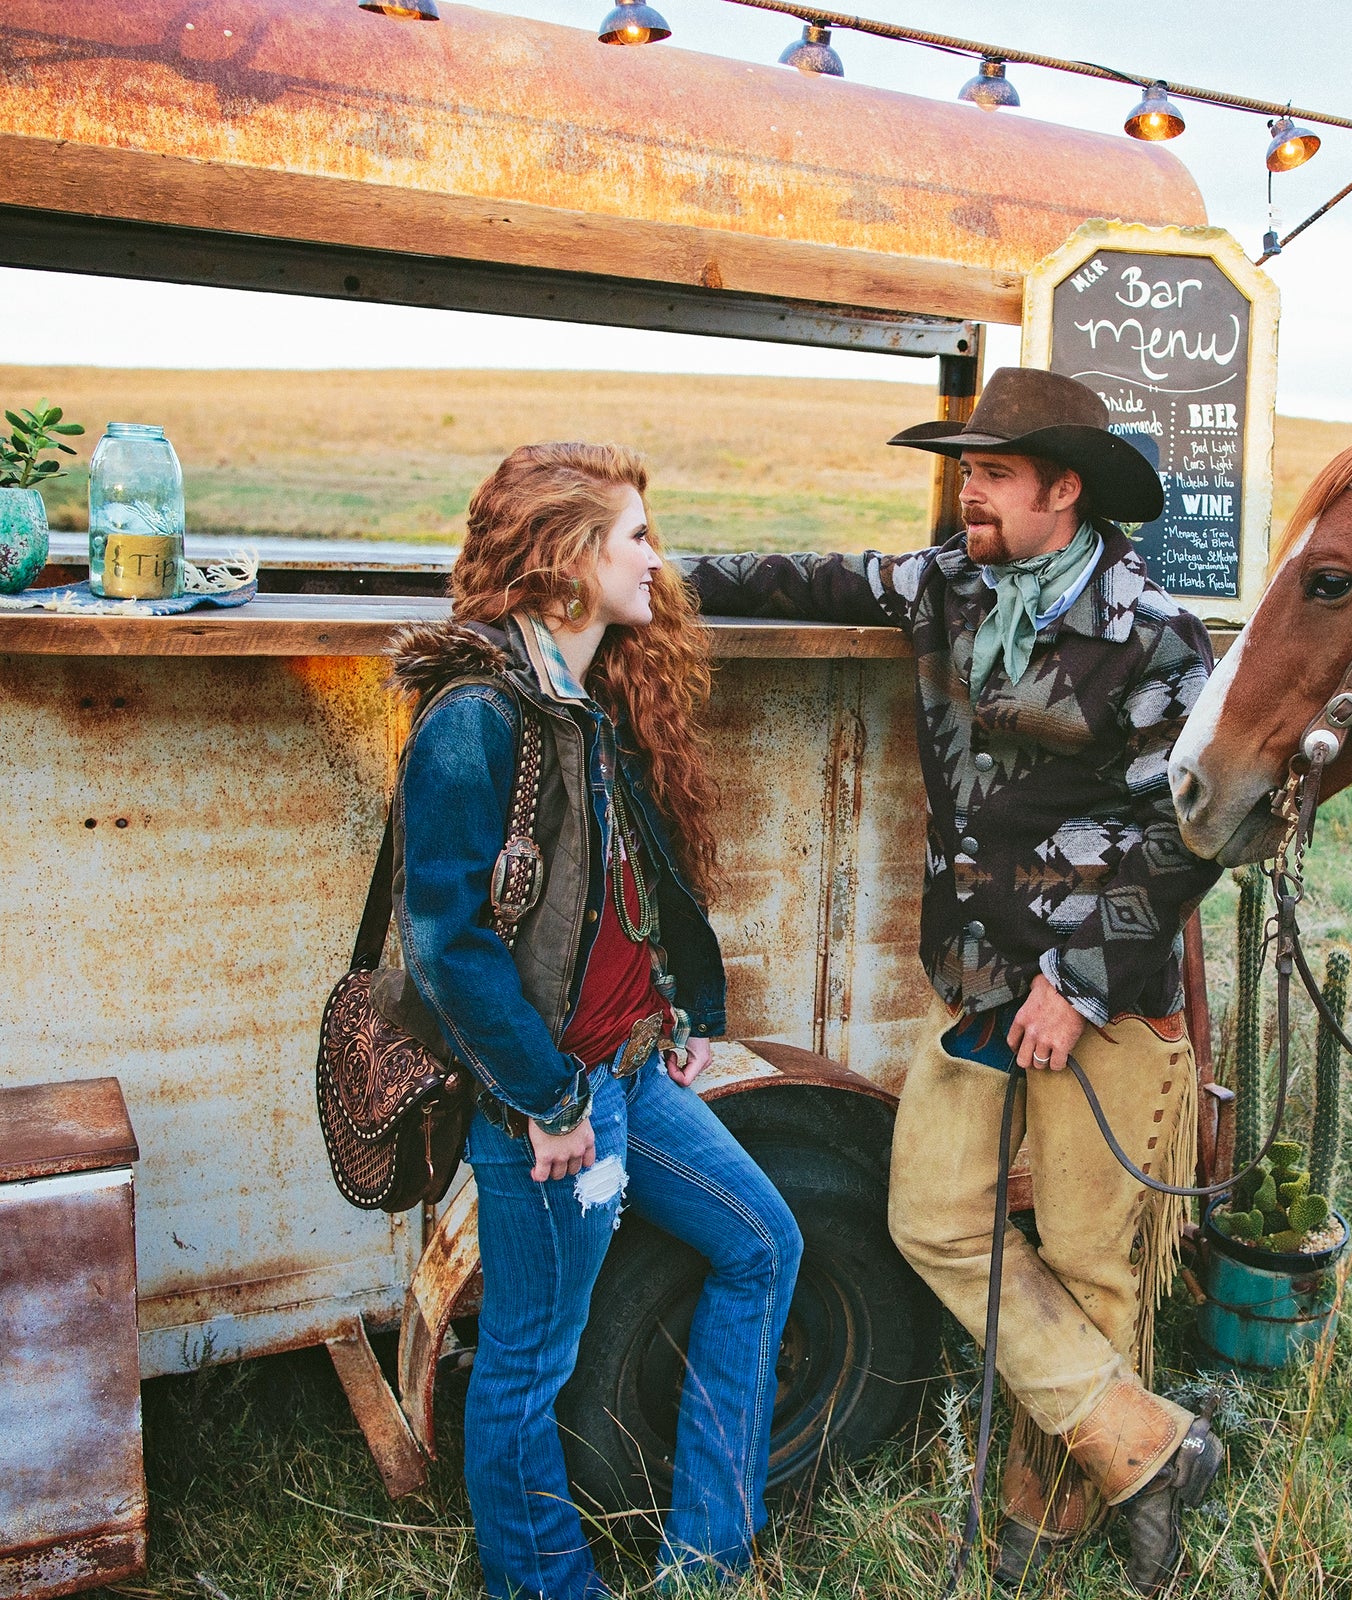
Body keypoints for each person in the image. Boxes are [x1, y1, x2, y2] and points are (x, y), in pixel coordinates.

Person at [683, 369, 1226, 1593]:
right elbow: (804, 579)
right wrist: (643, 577)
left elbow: (1188, 834)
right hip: (975, 982)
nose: (967, 493)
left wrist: (1077, 982)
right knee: (927, 1212)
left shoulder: (1155, 633)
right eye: (965, 471)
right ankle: (1151, 1446)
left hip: (1104, 1000)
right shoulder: (945, 584)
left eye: (993, 474)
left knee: (1088, 1258)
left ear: (1064, 489)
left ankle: (1055, 1509)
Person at [387, 443, 803, 1599]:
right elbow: (447, 943)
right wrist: (548, 1100)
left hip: (628, 1075)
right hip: (551, 1109)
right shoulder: (476, 717)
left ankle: (705, 1562)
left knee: (763, 1243)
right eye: (635, 537)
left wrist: (676, 1006)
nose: (657, 559)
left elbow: (618, 892)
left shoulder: (585, 697)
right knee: (529, 1364)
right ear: (569, 558)